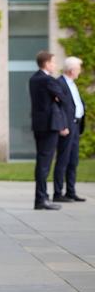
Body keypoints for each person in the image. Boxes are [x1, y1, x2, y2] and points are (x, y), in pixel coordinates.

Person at [29, 51, 67, 210]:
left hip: (39, 125)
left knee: (42, 162)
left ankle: (42, 197)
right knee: (44, 163)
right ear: (46, 63)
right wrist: (56, 97)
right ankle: (41, 199)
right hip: (50, 126)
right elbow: (63, 98)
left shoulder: (34, 79)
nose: (55, 65)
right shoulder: (48, 80)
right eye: (53, 62)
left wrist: (55, 97)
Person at [53, 56, 86, 203]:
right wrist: (62, 125)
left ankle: (70, 192)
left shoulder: (72, 84)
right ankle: (58, 193)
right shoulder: (59, 83)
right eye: (79, 69)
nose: (80, 71)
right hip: (66, 127)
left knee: (73, 160)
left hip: (76, 126)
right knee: (63, 160)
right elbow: (57, 108)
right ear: (72, 70)